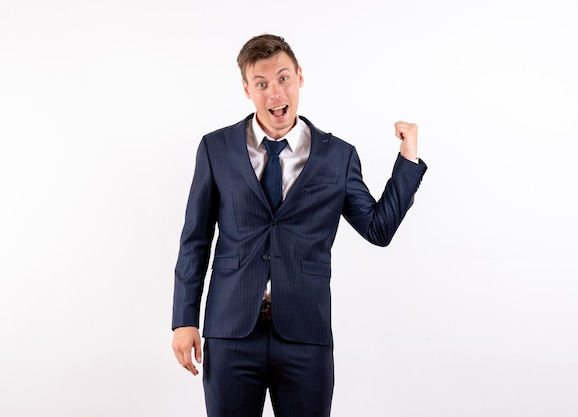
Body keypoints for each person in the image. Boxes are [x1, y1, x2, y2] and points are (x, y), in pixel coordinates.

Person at [171, 33, 427, 417]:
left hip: (306, 334)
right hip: (230, 331)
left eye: (283, 78)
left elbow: (378, 228)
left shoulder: (337, 156)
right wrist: (183, 319)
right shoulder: (216, 148)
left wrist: (407, 158)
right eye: (262, 84)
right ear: (246, 89)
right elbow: (195, 239)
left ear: (300, 77)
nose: (275, 93)